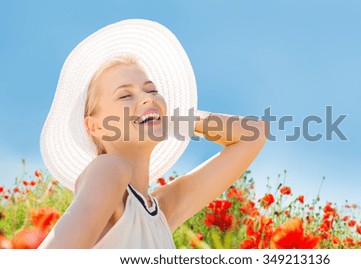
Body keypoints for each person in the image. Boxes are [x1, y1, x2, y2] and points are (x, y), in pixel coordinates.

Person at [38, 19, 267, 248]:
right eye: (125, 95)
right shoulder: (108, 169)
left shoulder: (161, 212)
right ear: (95, 126)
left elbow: (254, 133)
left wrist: (181, 118)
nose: (148, 98)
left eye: (152, 90)